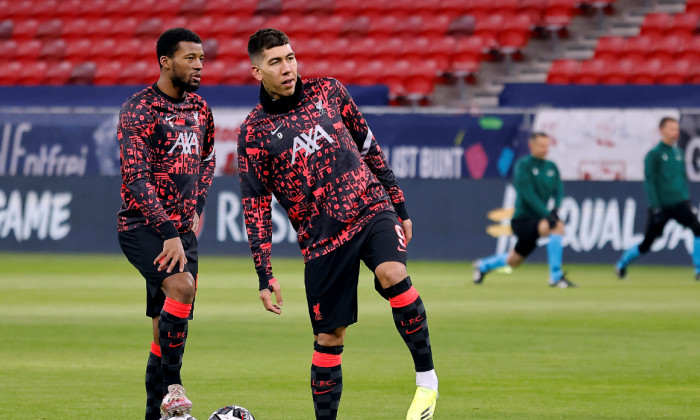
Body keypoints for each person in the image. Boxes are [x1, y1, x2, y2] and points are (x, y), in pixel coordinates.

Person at [237, 28, 438, 420]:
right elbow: (256, 206)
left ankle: (427, 382)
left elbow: (368, 146)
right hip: (323, 240)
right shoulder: (253, 134)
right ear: (256, 72)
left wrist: (399, 203)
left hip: (369, 207)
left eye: (290, 57)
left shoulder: (328, 91)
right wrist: (265, 274)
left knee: (393, 272)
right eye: (275, 61)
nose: (287, 67)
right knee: (329, 338)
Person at [117, 28, 215, 420]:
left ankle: (153, 415)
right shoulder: (139, 108)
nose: (199, 66)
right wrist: (169, 232)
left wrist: (199, 204)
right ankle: (175, 388)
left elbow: (207, 159)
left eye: (202, 59)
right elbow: (135, 178)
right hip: (142, 227)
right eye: (190, 58)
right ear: (165, 61)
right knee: (182, 286)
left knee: (163, 331)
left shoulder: (200, 109)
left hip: (182, 232)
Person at [473, 132, 576, 288]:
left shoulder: (551, 167)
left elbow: (558, 191)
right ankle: (556, 276)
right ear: (531, 146)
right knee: (557, 227)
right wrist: (549, 215)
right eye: (541, 145)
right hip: (523, 220)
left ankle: (482, 266)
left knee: (514, 261)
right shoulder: (523, 165)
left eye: (547, 145)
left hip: (541, 219)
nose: (545, 149)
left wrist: (556, 208)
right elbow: (527, 195)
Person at [615, 117, 700, 280]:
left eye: (676, 129)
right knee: (648, 243)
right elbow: (650, 181)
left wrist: (686, 199)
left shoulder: (678, 153)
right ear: (661, 130)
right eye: (671, 129)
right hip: (661, 206)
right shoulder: (654, 154)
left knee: (698, 229)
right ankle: (622, 264)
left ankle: (699, 269)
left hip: (680, 203)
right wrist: (655, 206)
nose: (675, 132)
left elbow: (681, 179)